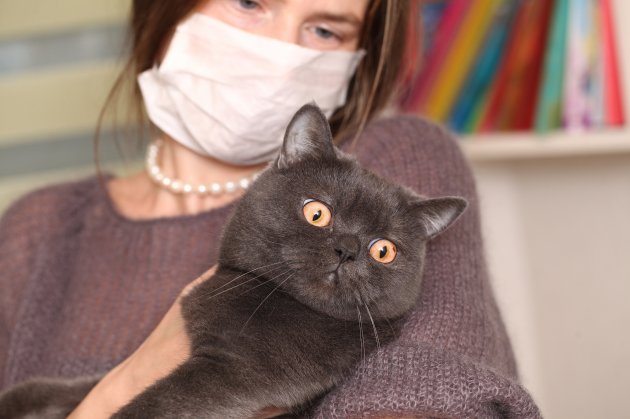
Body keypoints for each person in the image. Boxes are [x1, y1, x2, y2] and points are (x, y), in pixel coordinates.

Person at [0, 0, 541, 417]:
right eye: (250, 0)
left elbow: (428, 391)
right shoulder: (38, 232)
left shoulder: (393, 164)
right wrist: (124, 386)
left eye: (325, 29)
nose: (283, 52)